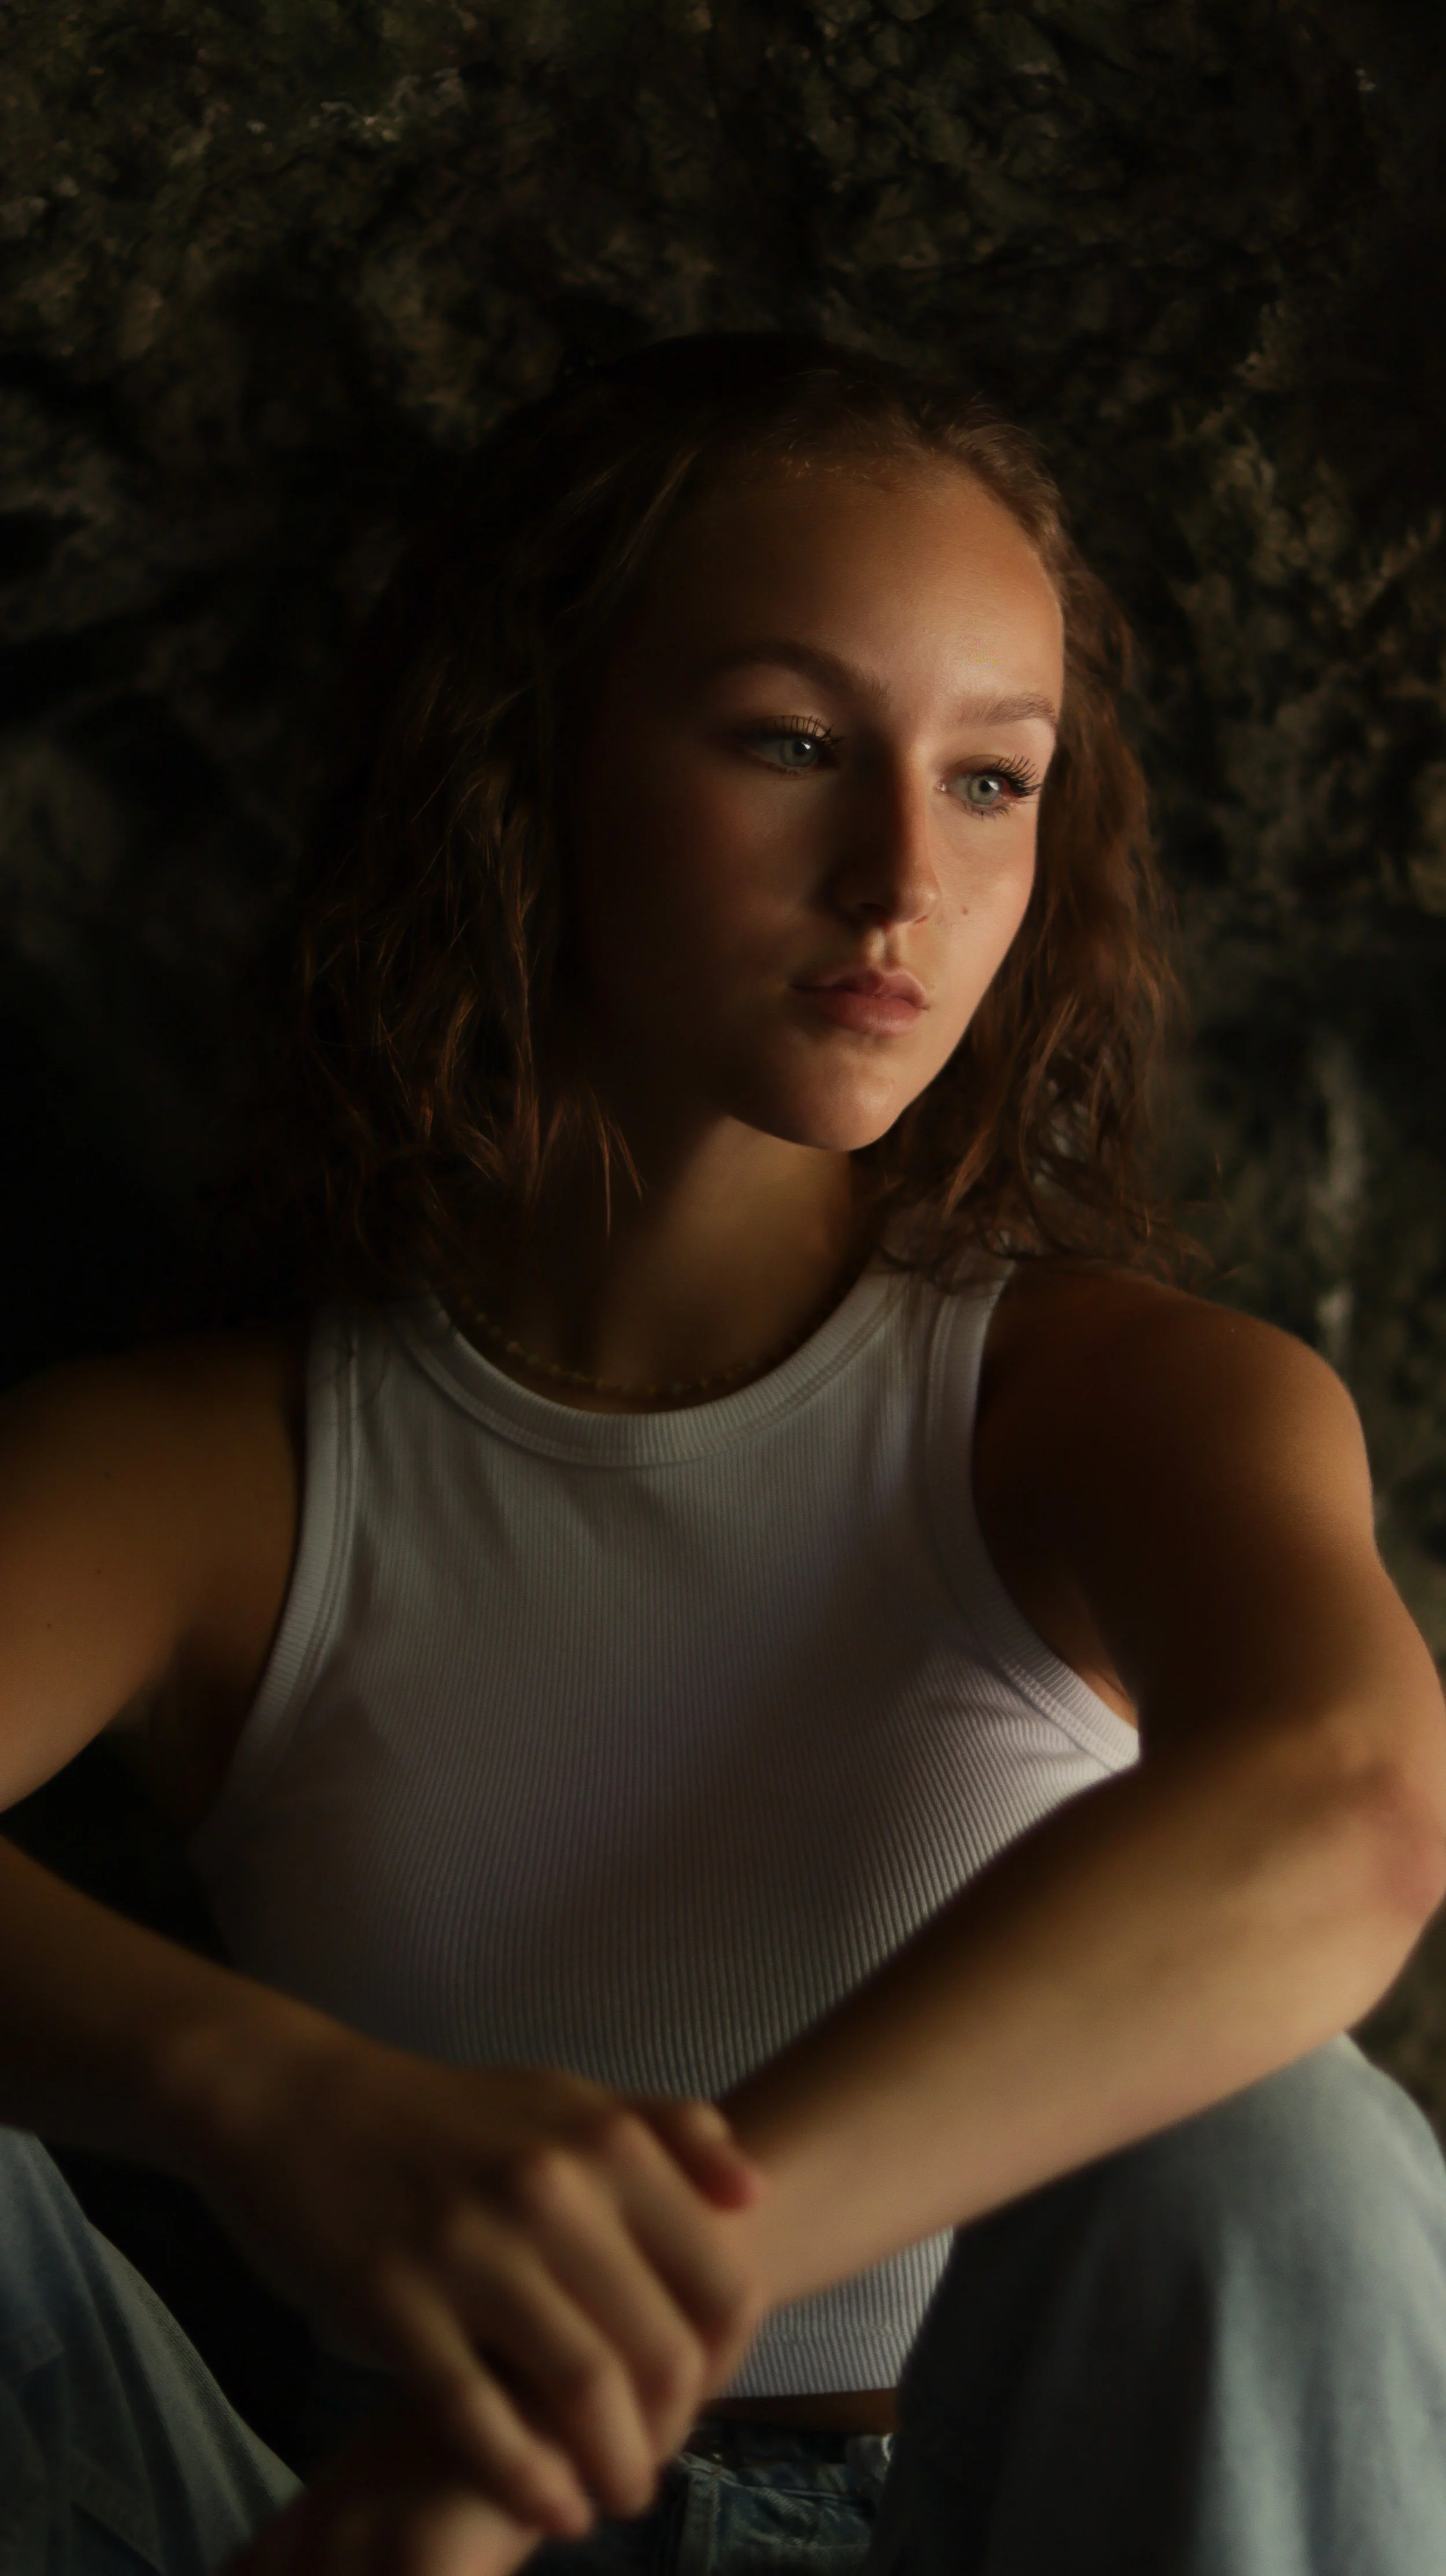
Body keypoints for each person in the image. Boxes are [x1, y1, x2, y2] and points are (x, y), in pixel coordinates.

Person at [2, 331, 1446, 2576]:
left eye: (993, 778)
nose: (901, 878)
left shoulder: (1107, 1403)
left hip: (972, 2515)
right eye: (789, 742)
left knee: (1280, 2149)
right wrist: (270, 2105)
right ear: (526, 760)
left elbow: (1348, 1810)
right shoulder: (215, 1466)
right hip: (364, 2531)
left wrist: (612, 2325)